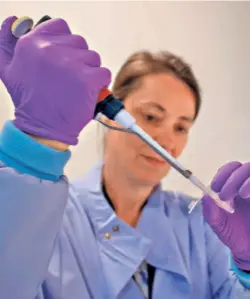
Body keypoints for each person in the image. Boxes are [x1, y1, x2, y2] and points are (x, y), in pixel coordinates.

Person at [0, 15, 250, 299]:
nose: (166, 141)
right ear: (110, 112)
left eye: (181, 127)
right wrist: (32, 149)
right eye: (151, 116)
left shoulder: (200, 225)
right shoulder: (47, 216)